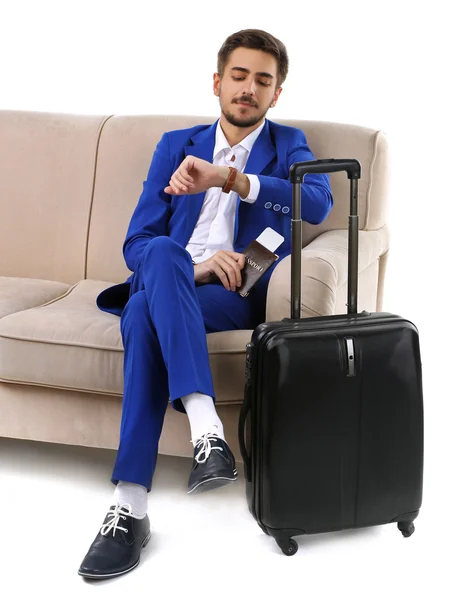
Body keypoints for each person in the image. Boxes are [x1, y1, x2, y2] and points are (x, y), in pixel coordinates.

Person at [78, 28, 333, 579]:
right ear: (218, 82)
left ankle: (130, 507)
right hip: (177, 275)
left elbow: (319, 201)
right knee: (165, 254)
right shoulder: (176, 144)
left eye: (263, 81)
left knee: (145, 315)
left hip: (225, 299)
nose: (249, 89)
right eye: (239, 76)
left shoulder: (287, 143)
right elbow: (137, 244)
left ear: (276, 93)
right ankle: (206, 428)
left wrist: (232, 180)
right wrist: (193, 265)